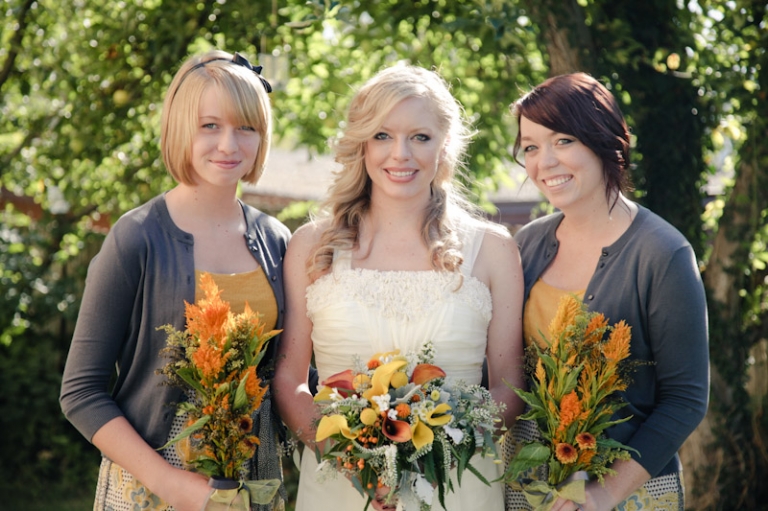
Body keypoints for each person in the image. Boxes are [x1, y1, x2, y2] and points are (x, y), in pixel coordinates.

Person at [272, 64, 526, 511]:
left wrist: (442, 449)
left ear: (444, 145)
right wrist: (352, 460)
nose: (401, 155)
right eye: (383, 136)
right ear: (362, 144)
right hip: (341, 490)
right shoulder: (313, 247)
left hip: (458, 488)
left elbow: (509, 386)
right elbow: (291, 380)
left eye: (420, 137)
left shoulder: (494, 251)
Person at [59, 50, 290, 511]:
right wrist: (170, 483)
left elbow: (293, 377)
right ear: (181, 128)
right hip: (149, 490)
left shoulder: (278, 241)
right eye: (210, 126)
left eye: (245, 127)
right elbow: (81, 392)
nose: (229, 144)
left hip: (255, 489)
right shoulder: (136, 237)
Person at [504, 72, 710, 511]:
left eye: (563, 141)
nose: (545, 162)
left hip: (625, 496)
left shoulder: (663, 253)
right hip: (526, 490)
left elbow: (686, 399)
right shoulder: (526, 245)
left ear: (602, 140)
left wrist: (603, 495)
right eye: (531, 147)